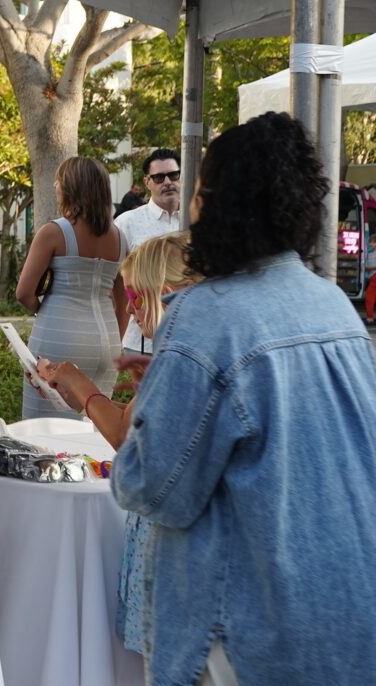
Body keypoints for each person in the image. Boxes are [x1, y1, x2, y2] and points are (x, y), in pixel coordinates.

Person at [112, 112, 376, 685]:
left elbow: (151, 486)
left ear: (213, 205)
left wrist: (157, 406)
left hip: (255, 636)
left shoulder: (205, 316)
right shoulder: (334, 306)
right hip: (352, 620)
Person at [35, 232, 200, 657]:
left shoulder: (180, 355)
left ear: (163, 293)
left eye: (133, 297)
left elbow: (127, 434)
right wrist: (84, 396)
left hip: (170, 544)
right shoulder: (192, 349)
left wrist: (77, 381)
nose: (130, 310)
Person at [15, 156, 127, 419]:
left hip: (60, 337)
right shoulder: (120, 238)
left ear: (71, 188)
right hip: (107, 342)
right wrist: (114, 342)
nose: (55, 186)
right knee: (96, 422)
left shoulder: (53, 232)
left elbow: (23, 293)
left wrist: (44, 310)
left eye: (59, 181)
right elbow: (124, 303)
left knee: (45, 427)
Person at [115, 148, 182, 355]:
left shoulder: (197, 221)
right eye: (159, 177)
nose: (167, 182)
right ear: (147, 182)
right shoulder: (127, 223)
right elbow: (113, 282)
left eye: (173, 175)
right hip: (140, 344)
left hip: (187, 341)